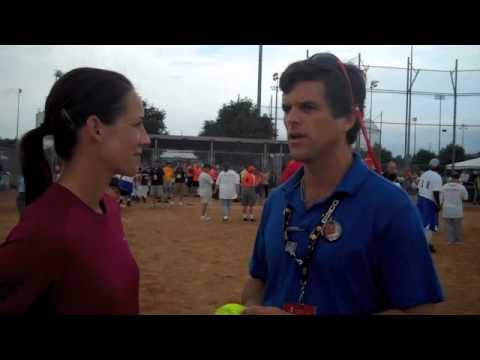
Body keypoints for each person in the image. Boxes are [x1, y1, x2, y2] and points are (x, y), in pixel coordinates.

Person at [241, 53, 443, 315]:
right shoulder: (278, 200)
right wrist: (251, 308)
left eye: (308, 107)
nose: (291, 118)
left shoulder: (391, 206)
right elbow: (258, 279)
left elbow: (420, 310)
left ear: (348, 118)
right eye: (287, 108)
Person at [0, 67, 150, 314]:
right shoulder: (44, 233)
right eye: (137, 124)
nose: (145, 139)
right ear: (96, 128)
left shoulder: (108, 206)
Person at [417, 158, 443, 254]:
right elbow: (435, 192)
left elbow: (419, 186)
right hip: (429, 201)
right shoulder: (437, 176)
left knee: (423, 223)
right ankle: (425, 246)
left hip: (421, 199)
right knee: (428, 225)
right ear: (437, 166)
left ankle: (428, 243)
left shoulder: (425, 173)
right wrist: (438, 204)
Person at [440, 172, 468, 245]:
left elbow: (441, 199)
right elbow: (465, 198)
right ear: (458, 178)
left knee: (449, 226)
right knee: (458, 226)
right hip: (457, 210)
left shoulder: (444, 186)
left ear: (450, 178)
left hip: (447, 209)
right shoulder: (461, 187)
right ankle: (459, 241)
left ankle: (450, 240)